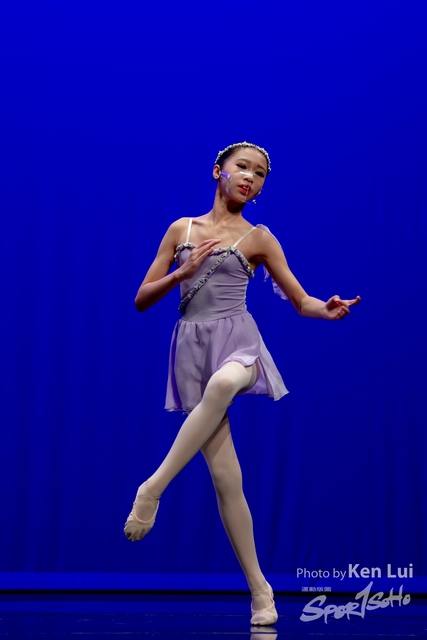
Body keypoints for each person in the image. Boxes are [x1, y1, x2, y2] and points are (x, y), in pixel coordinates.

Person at [124, 142, 361, 625]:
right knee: (227, 481)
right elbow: (142, 299)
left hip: (240, 344)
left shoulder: (259, 237)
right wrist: (182, 272)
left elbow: (301, 300)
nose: (251, 177)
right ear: (219, 171)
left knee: (222, 385)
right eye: (243, 167)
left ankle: (152, 487)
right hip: (192, 349)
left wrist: (326, 308)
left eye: (260, 173)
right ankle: (260, 591)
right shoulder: (182, 229)